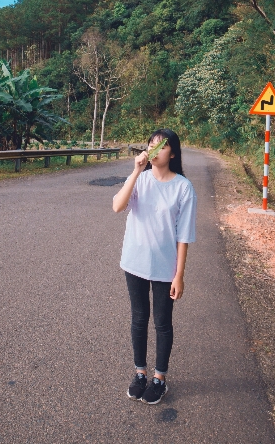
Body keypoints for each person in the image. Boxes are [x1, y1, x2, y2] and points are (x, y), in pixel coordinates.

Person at [113, 128, 197, 405]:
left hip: (164, 266)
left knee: (162, 322)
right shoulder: (141, 179)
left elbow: (183, 235)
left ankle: (159, 378)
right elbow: (117, 206)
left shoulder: (183, 187)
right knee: (139, 318)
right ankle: (140, 373)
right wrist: (136, 171)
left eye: (161, 145)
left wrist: (179, 274)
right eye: (151, 144)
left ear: (172, 153)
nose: (154, 149)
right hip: (134, 261)